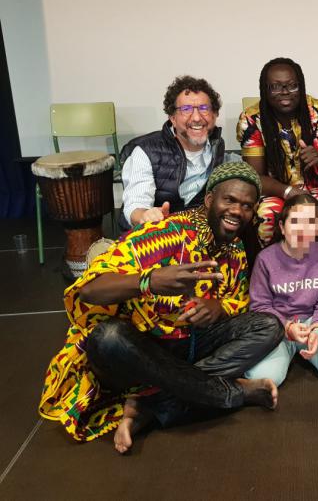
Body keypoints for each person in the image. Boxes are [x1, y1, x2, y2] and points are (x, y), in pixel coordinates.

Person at [39, 162, 282, 453]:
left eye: (246, 205)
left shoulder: (235, 249)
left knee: (269, 326)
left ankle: (154, 404)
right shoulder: (165, 234)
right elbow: (90, 289)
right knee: (107, 338)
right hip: (141, 348)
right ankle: (229, 394)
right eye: (229, 200)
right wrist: (149, 280)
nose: (237, 211)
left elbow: (237, 300)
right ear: (209, 200)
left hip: (188, 345)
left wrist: (219, 308)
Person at [237, 57, 318, 274]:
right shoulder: (251, 119)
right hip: (279, 192)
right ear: (265, 89)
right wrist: (290, 192)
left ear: (301, 85)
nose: (285, 92)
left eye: (291, 85)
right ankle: (280, 277)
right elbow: (255, 176)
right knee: (266, 216)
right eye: (275, 87)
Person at [244, 194, 318, 387]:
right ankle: (286, 353)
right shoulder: (265, 259)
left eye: (310, 222)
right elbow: (260, 305)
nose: (302, 229)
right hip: (278, 327)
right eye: (295, 221)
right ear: (282, 227)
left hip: (312, 323)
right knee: (265, 378)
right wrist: (287, 327)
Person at [119, 75, 230, 230]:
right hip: (155, 235)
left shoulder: (218, 148)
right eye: (186, 109)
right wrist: (146, 215)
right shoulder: (146, 150)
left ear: (215, 114)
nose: (197, 117)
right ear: (173, 117)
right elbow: (136, 202)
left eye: (204, 108)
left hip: (197, 234)